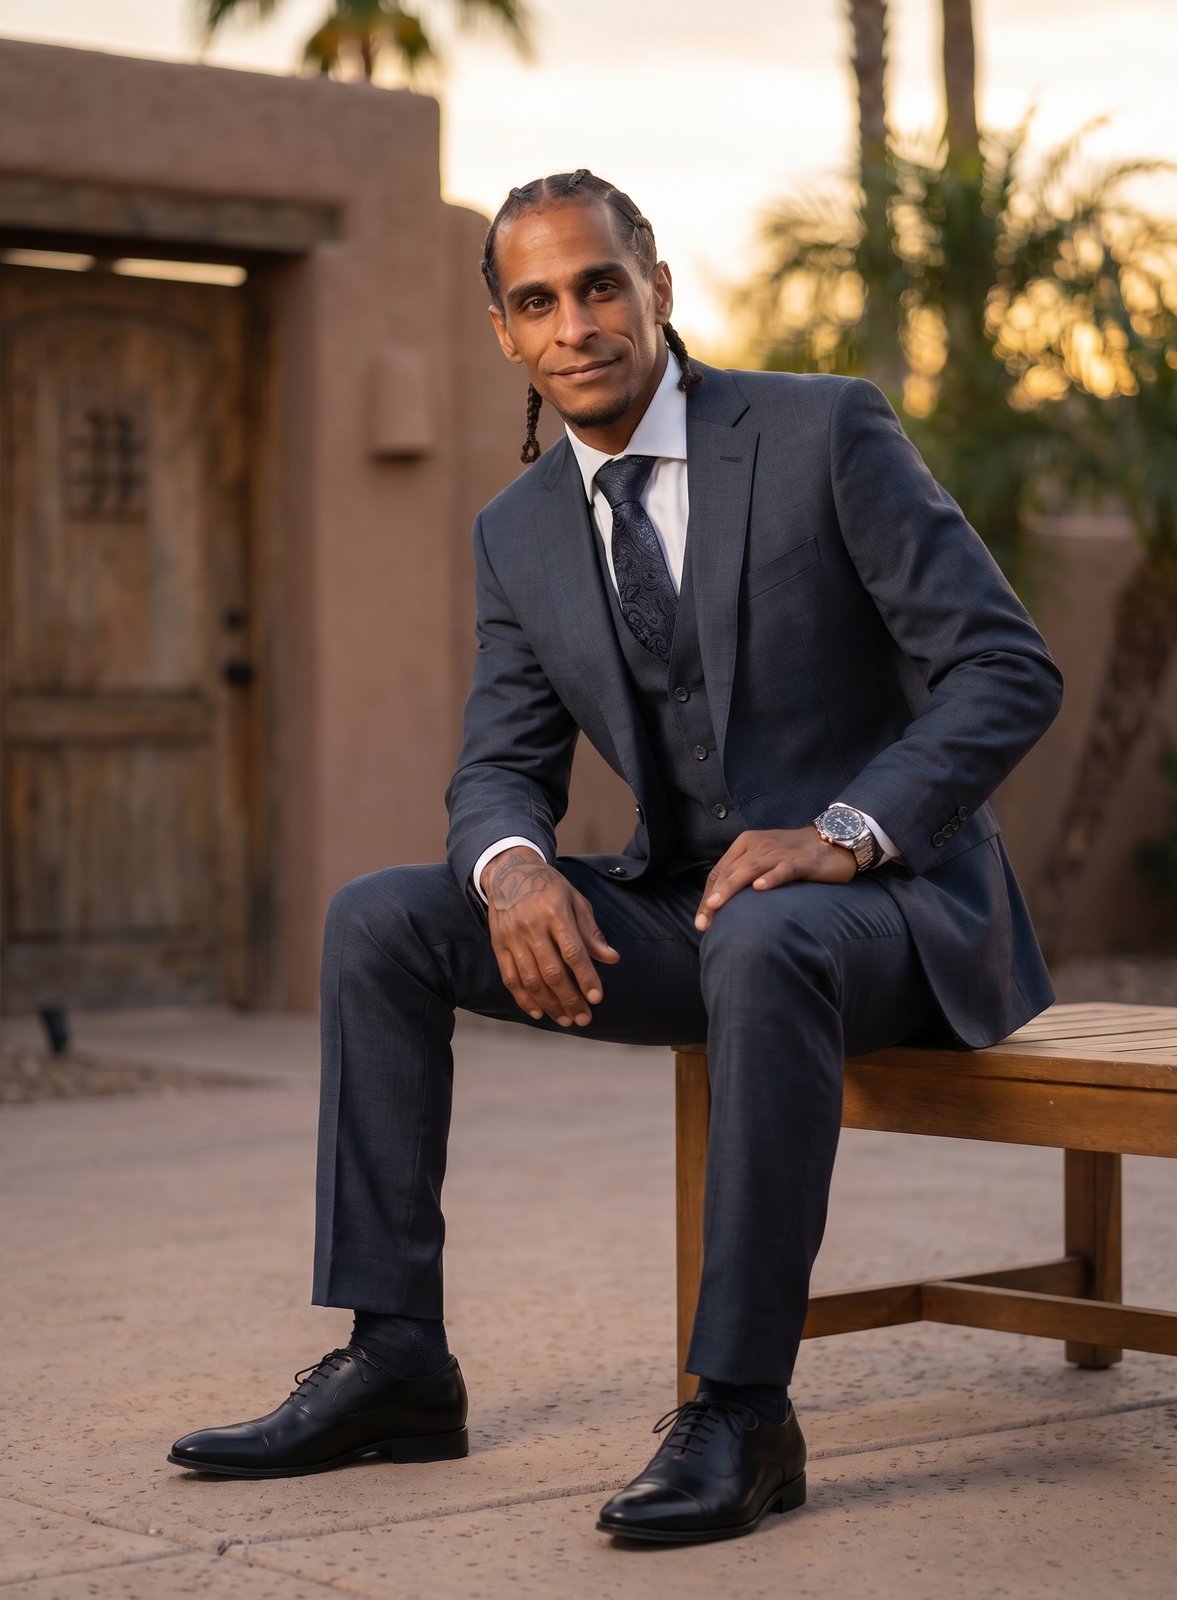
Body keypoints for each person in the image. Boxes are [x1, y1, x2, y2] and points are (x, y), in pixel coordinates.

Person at [169, 170, 1063, 1544]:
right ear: (503, 335)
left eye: (597, 285)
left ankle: (740, 1406)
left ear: (654, 288)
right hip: (688, 915)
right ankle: (397, 1356)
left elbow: (1002, 668)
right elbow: (497, 766)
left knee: (766, 929)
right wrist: (514, 869)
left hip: (892, 914)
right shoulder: (516, 532)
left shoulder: (822, 431)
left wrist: (841, 832)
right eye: (536, 301)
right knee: (381, 920)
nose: (573, 321)